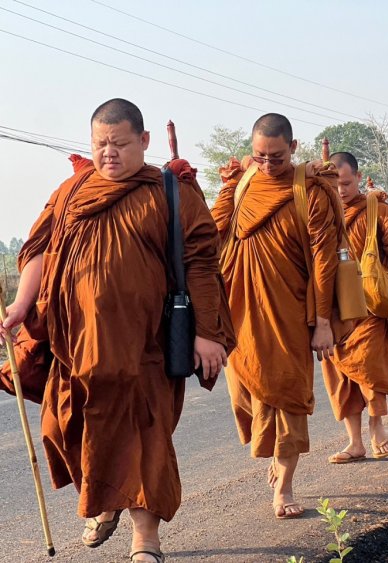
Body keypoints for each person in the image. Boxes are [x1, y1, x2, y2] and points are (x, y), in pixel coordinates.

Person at [0, 99, 233, 563]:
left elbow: (202, 263)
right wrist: (22, 303)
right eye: (101, 144)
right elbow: (39, 251)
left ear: (143, 142)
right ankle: (104, 504)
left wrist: (207, 331)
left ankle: (145, 540)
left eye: (120, 144)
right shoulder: (70, 192)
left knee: (145, 437)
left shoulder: (173, 193)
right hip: (75, 345)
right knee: (65, 427)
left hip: (145, 346)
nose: (109, 153)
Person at [211, 113, 342, 519]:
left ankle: (283, 488)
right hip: (240, 311)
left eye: (277, 156)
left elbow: (324, 262)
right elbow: (211, 234)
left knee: (286, 398)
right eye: (260, 155)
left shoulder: (311, 191)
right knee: (245, 393)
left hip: (288, 314)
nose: (268, 163)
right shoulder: (242, 186)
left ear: (294, 147)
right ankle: (272, 453)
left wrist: (322, 323)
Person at [321, 152, 388, 463]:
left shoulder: (379, 211)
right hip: (332, 308)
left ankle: (377, 425)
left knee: (370, 365)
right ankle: (354, 442)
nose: (340, 190)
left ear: (358, 178)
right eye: (334, 184)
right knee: (340, 377)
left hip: (368, 305)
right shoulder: (318, 212)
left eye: (346, 183)